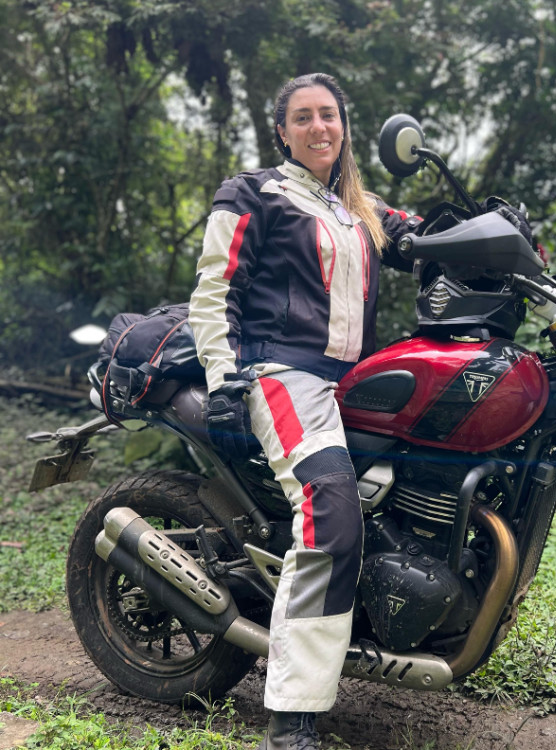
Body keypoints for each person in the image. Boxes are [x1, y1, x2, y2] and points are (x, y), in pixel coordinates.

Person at [188, 72, 420, 750]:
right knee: (331, 512)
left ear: (344, 126)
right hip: (284, 374)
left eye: (329, 115)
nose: (320, 126)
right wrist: (223, 376)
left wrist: (497, 232)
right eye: (303, 117)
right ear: (282, 132)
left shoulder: (360, 209)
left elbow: (425, 238)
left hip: (357, 381)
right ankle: (291, 719)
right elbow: (215, 291)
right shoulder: (255, 193)